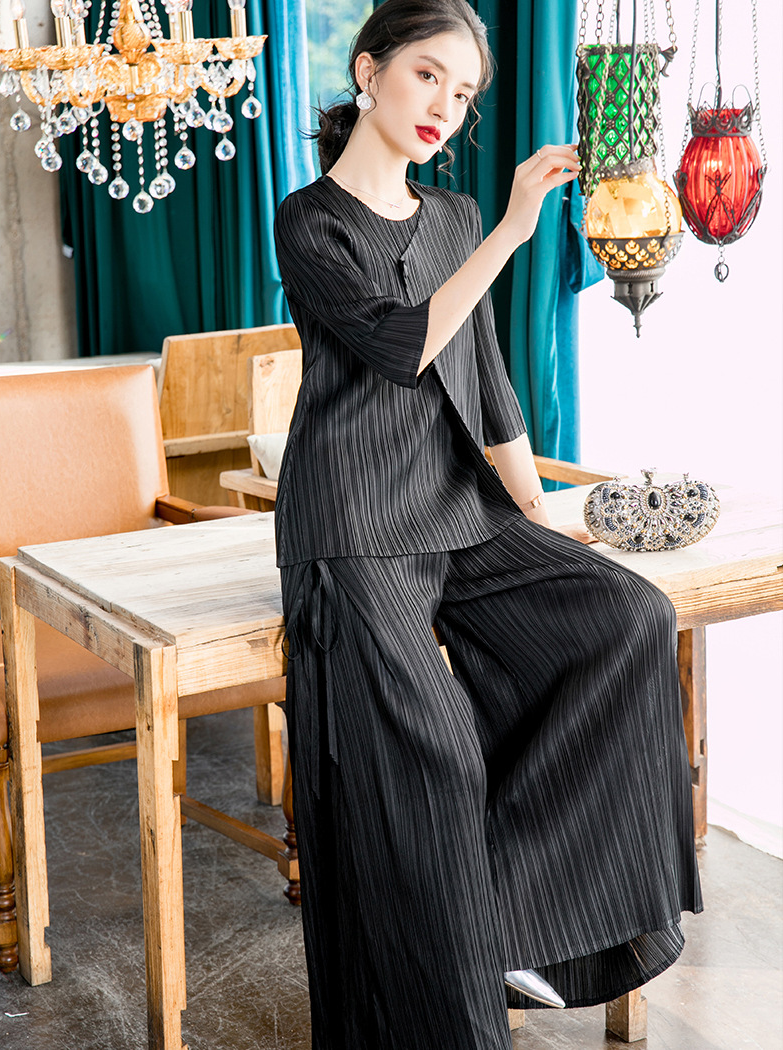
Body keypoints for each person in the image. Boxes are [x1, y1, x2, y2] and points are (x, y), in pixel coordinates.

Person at [272, 1, 702, 1046]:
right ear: (368, 71)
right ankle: (451, 996)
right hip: (352, 527)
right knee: (435, 764)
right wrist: (515, 231)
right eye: (428, 75)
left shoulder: (455, 217)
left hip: (461, 509)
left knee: (629, 619)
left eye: (463, 93)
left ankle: (507, 925)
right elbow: (401, 347)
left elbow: (487, 381)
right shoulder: (309, 221)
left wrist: (539, 521)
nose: (445, 106)